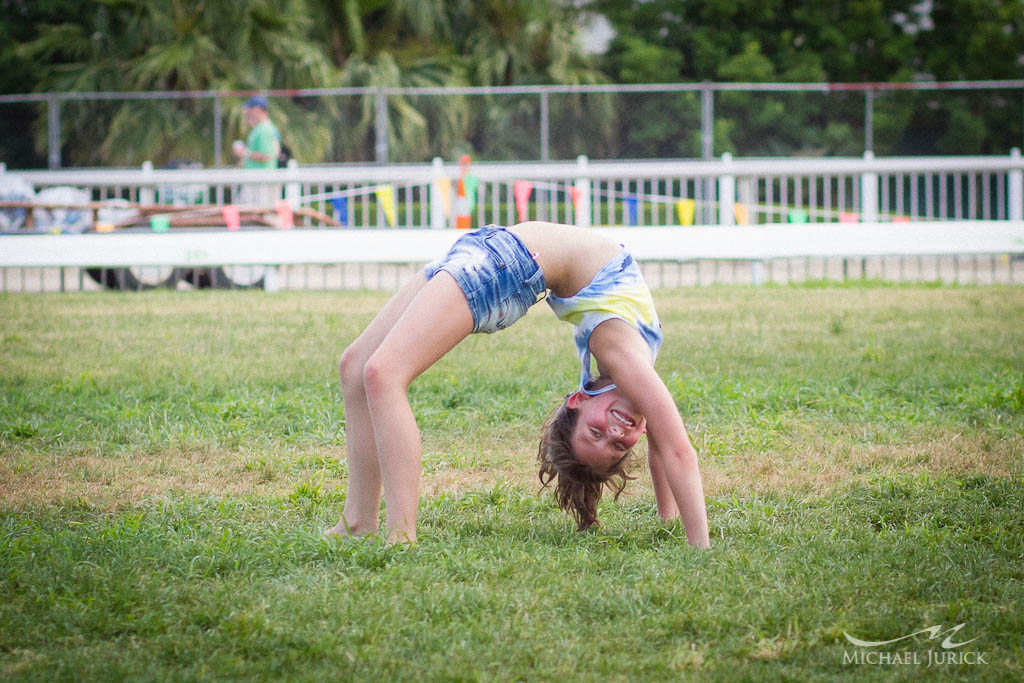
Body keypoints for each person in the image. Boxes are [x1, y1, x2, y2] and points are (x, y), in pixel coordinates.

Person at [325, 222, 710, 548]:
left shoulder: (617, 356)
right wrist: (680, 531)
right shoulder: (630, 366)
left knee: (382, 374)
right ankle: (358, 520)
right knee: (354, 367)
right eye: (613, 443)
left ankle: (401, 538)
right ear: (578, 400)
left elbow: (669, 446)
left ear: (579, 400)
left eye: (599, 435)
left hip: (507, 264)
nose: (613, 433)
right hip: (490, 249)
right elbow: (672, 449)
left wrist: (683, 536)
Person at [234, 95, 280, 170]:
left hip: (261, 179)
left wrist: (243, 153)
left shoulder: (265, 129)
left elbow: (267, 156)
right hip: (257, 178)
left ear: (257, 109)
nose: (246, 112)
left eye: (249, 109)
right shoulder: (260, 128)